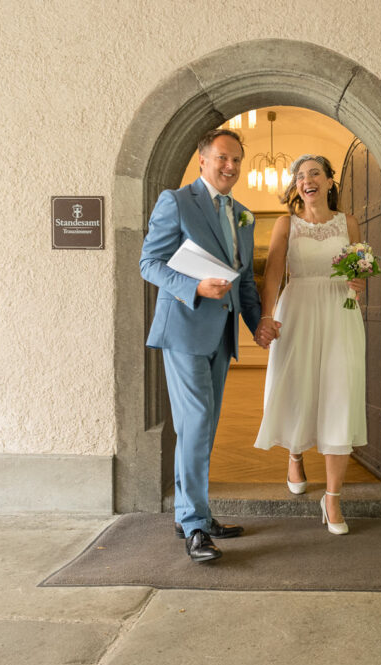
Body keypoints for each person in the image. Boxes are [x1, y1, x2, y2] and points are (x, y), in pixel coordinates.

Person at [140, 128, 281, 562]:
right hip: (182, 329)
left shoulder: (243, 214)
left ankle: (191, 512)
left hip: (222, 335)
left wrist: (258, 325)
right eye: (222, 158)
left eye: (237, 159)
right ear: (202, 160)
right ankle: (197, 527)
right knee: (198, 422)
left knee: (201, 427)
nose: (231, 167)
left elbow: (244, 282)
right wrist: (195, 286)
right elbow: (150, 263)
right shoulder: (177, 201)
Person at [254, 154, 367, 535]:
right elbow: (272, 275)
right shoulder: (287, 224)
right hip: (298, 309)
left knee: (340, 392)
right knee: (299, 386)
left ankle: (332, 498)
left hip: (340, 311)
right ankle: (295, 454)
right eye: (300, 176)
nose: (307, 180)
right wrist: (267, 317)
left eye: (314, 173)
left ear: (329, 181)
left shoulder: (347, 222)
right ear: (295, 186)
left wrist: (358, 283)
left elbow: (357, 266)